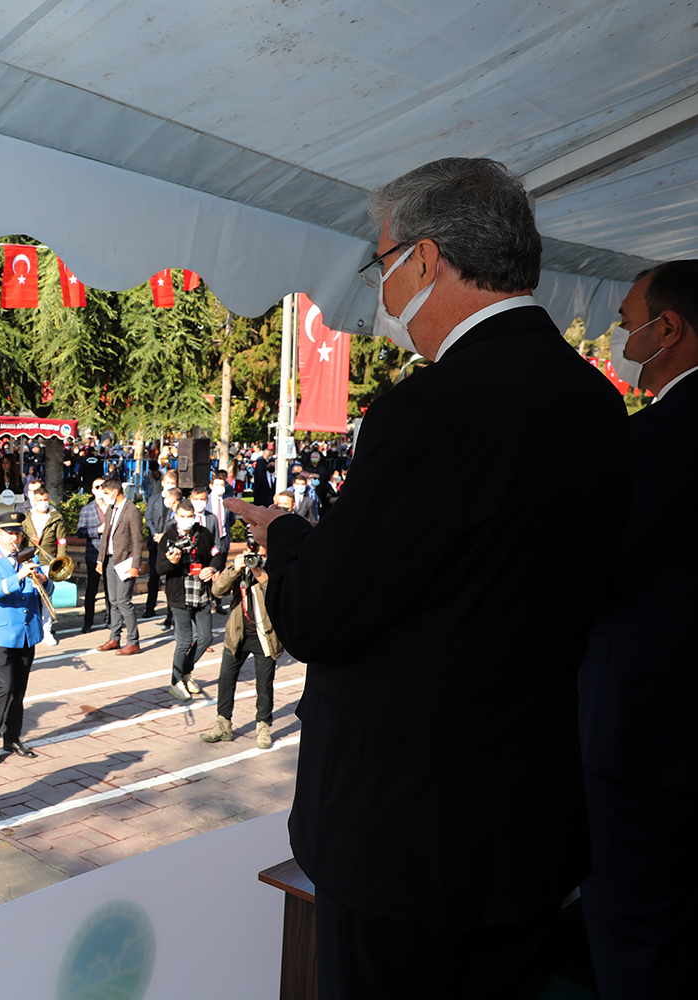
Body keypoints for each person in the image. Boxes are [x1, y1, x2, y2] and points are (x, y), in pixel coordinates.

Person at [225, 157, 631, 1000]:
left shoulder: (434, 406)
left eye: (382, 265)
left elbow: (323, 616)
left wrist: (292, 540)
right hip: (528, 823)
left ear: (426, 259)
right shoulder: (595, 403)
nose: (381, 291)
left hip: (407, 840)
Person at [578, 258, 698, 998]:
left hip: (648, 739)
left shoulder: (657, 440)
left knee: (637, 940)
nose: (623, 337)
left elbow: (595, 571)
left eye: (627, 323)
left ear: (670, 329)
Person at [0, 513, 45, 762]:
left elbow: (45, 590)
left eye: (17, 532)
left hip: (27, 633)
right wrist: (18, 576)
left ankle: (12, 738)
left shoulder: (30, 557)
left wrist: (44, 581)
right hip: (0, 633)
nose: (14, 537)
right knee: (3, 687)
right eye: (8, 533)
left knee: (19, 690)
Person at [200, 550, 280, 747]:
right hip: (237, 635)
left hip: (265, 636)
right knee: (226, 680)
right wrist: (234, 569)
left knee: (264, 685)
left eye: (261, 554)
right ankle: (223, 724)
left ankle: (263, 726)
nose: (255, 558)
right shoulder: (240, 569)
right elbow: (217, 591)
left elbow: (280, 594)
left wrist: (261, 575)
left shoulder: (275, 566)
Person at [154, 499, 222, 701]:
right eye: (182, 516)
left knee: (206, 637)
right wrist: (171, 562)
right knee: (184, 641)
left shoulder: (204, 534)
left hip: (202, 592)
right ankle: (176, 682)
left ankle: (185, 672)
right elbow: (160, 569)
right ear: (175, 516)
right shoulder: (169, 538)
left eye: (190, 516)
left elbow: (217, 554)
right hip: (180, 593)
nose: (186, 520)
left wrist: (213, 568)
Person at [96, 482, 143, 655]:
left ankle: (133, 641)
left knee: (124, 601)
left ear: (116, 492)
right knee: (113, 601)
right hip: (109, 561)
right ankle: (114, 638)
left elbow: (138, 540)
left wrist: (135, 565)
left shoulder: (132, 510)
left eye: (107, 492)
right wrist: (100, 560)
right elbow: (105, 538)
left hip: (125, 562)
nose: (105, 496)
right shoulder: (110, 509)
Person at [142, 471, 179, 619]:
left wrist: (165, 537)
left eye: (172, 483)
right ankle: (150, 607)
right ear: (162, 483)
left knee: (170, 578)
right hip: (155, 542)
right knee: (153, 576)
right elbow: (149, 518)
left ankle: (171, 612)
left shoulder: (176, 501)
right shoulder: (154, 499)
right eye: (167, 482)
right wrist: (155, 534)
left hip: (169, 542)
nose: (169, 485)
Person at [75, 478, 109, 634]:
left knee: (111, 590)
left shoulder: (113, 507)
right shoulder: (86, 510)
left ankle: (111, 620)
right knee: (92, 589)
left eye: (103, 486)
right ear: (93, 490)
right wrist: (97, 530)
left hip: (111, 553)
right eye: (98, 487)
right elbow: (80, 532)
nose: (101, 489)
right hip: (93, 554)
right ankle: (88, 621)